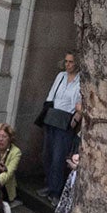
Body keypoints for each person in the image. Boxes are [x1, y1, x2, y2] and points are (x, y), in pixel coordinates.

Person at [37, 51, 80, 198]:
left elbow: (78, 103)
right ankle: (49, 184)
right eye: (66, 61)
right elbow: (51, 95)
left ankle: (56, 190)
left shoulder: (80, 81)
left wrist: (75, 120)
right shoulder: (60, 76)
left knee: (59, 157)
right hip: (52, 117)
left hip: (66, 120)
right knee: (47, 154)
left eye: (71, 62)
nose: (68, 65)